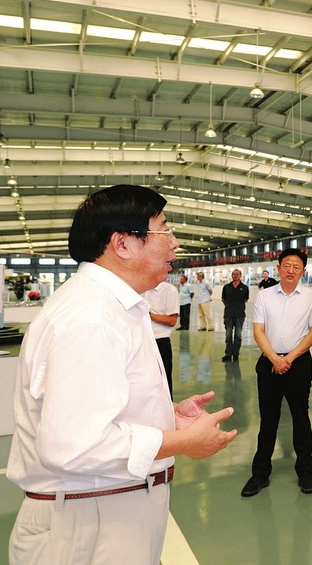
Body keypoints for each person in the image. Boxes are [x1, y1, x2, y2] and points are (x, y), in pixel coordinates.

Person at [6, 184, 236, 564]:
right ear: (123, 243)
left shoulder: (111, 307)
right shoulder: (91, 317)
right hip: (90, 525)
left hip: (103, 513)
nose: (175, 243)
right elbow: (74, 446)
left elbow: (97, 406)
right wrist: (182, 442)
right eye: (165, 231)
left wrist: (167, 417)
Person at [241, 248, 312, 498]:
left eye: (296, 267)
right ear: (278, 268)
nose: (290, 270)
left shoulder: (311, 297)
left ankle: (305, 472)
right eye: (286, 265)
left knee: (301, 418)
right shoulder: (264, 296)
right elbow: (258, 331)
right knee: (268, 419)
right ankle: (260, 474)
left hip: (298, 365)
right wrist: (275, 358)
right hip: (269, 363)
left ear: (303, 271)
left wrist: (289, 358)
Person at [143, 279, 180, 397]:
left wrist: (148, 315)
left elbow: (171, 320)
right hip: (141, 340)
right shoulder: (138, 288)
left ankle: (167, 410)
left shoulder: (169, 291)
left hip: (159, 341)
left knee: (163, 380)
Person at [221, 269, 249, 362]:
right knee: (228, 336)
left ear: (240, 276)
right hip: (228, 314)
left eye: (237, 274)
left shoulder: (244, 288)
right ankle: (228, 354)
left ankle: (236, 354)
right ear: (231, 276)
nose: (235, 276)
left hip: (240, 315)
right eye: (234, 274)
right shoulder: (226, 287)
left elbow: (245, 299)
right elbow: (223, 300)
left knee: (238, 335)